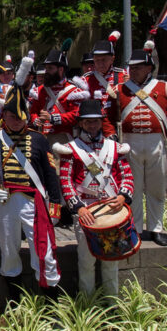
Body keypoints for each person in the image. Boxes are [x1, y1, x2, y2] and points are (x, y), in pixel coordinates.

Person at [0, 83, 63, 290]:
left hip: (34, 202)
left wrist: (55, 204)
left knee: (43, 251)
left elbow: (50, 173)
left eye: (21, 117)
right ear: (4, 116)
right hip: (5, 202)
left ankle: (50, 298)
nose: (17, 121)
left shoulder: (38, 139)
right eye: (13, 117)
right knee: (9, 251)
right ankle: (14, 299)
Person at [54, 100, 135, 297]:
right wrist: (79, 208)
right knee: (86, 260)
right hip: (86, 210)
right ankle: (87, 301)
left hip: (112, 208)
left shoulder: (114, 148)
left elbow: (127, 175)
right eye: (88, 122)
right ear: (81, 123)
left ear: (101, 122)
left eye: (96, 121)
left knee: (111, 260)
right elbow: (66, 181)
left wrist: (122, 197)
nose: (92, 125)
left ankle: (112, 301)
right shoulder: (71, 149)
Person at [107, 46, 167, 246]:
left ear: (149, 68)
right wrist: (111, 137)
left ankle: (155, 228)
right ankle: (135, 228)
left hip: (156, 141)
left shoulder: (165, 89)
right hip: (129, 142)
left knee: (156, 188)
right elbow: (107, 117)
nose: (134, 71)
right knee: (132, 189)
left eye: (139, 67)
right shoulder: (119, 90)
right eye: (132, 68)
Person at [29, 48, 86, 146]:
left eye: (50, 68)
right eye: (46, 68)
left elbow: (75, 115)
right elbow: (34, 111)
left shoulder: (72, 91)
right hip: (43, 137)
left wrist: (52, 118)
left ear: (61, 69)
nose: (46, 72)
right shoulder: (40, 90)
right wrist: (35, 119)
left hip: (64, 138)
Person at [83, 32, 128, 137]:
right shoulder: (86, 79)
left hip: (118, 125)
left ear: (112, 59)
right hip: (94, 128)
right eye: (97, 60)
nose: (100, 63)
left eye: (103, 60)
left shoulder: (122, 75)